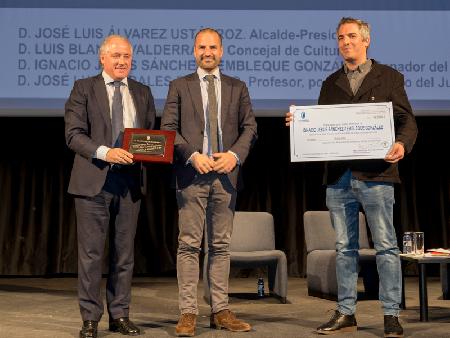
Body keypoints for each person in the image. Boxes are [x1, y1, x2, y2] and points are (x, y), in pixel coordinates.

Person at [286, 17, 417, 337]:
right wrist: (301, 124)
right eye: (341, 37)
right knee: (344, 248)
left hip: (377, 174)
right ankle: (346, 312)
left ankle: (390, 314)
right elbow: (321, 129)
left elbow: (407, 120)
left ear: (366, 40)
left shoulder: (389, 77)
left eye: (352, 36)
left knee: (386, 246)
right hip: (339, 177)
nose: (346, 42)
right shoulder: (330, 82)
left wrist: (401, 144)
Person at [161, 28, 257, 337]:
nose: (207, 52)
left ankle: (220, 310)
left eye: (213, 47)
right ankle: (188, 313)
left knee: (220, 246)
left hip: (225, 176)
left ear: (221, 51)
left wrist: (234, 155)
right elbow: (169, 128)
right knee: (189, 244)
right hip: (192, 175)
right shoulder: (179, 86)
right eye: (202, 47)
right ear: (194, 51)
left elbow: (250, 128)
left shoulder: (237, 87)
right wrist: (191, 155)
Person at [65, 35, 156, 338]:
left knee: (124, 255)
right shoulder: (83, 88)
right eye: (115, 56)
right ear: (102, 58)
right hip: (94, 180)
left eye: (127, 56)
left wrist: (154, 150)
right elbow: (74, 135)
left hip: (129, 183)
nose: (121, 61)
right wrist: (106, 152)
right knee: (91, 254)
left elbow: (151, 137)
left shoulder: (142, 92)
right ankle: (90, 318)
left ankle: (120, 314)